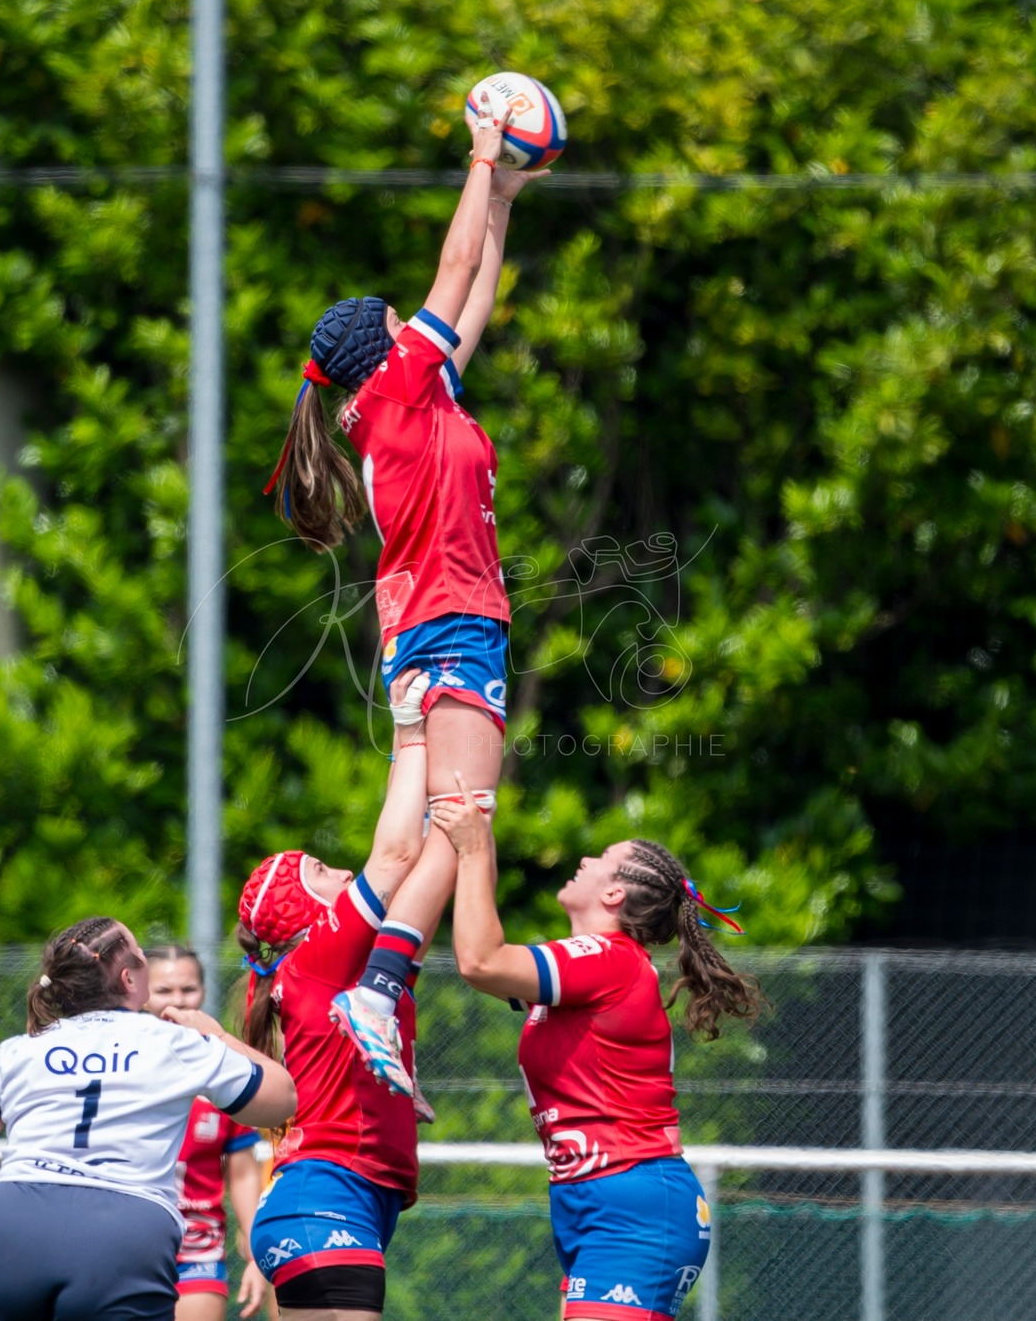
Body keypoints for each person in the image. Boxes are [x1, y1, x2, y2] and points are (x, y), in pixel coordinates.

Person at [263, 110, 547, 1094]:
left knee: (405, 838)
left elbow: (473, 292)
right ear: (383, 344)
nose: (417, 324)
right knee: (462, 820)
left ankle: (319, 975)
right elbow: (453, 268)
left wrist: (503, 198)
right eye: (401, 321)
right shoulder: (397, 388)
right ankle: (378, 988)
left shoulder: (416, 399)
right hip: (454, 623)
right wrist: (478, 158)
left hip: (420, 632)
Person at [437, 774, 763, 1321]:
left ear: (614, 894)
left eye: (603, 858)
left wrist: (474, 849)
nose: (586, 857)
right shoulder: (594, 965)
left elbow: (480, 960)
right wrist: (479, 843)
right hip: (593, 1202)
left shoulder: (608, 960)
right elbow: (490, 958)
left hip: (634, 1207)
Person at [0, 917, 297, 1321]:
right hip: (125, 1233)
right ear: (131, 980)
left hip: (14, 1221)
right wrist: (219, 1037)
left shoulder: (23, 1050)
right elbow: (281, 1100)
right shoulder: (179, 1043)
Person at [236, 671, 432, 1320]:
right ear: (297, 909)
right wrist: (408, 725)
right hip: (327, 1192)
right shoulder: (319, 952)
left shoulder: (345, 965)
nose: (344, 871)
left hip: (348, 1196)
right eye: (321, 870)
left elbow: (430, 871)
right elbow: (401, 849)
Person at [145, 944, 272, 1321]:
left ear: (203, 991)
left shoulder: (224, 1066)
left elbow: (244, 1170)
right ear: (138, 991)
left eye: (188, 989)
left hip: (198, 1247)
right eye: (164, 991)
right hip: (127, 1241)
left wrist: (254, 1251)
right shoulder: (120, 1060)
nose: (178, 1001)